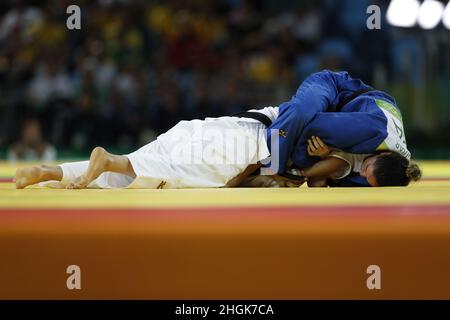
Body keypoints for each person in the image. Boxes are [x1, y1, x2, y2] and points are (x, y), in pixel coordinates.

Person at [14, 70, 416, 189]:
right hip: (243, 144)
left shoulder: (371, 154)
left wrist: (305, 173)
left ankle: (54, 172)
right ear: (375, 157)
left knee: (153, 174)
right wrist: (296, 173)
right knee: (160, 168)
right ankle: (101, 163)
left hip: (231, 133)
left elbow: (328, 171)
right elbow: (313, 148)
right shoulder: (354, 144)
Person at [237, 136, 422, 188]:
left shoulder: (391, 173)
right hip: (309, 139)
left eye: (367, 179)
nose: (362, 174)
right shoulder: (376, 137)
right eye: (366, 168)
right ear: (381, 155)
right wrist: (325, 155)